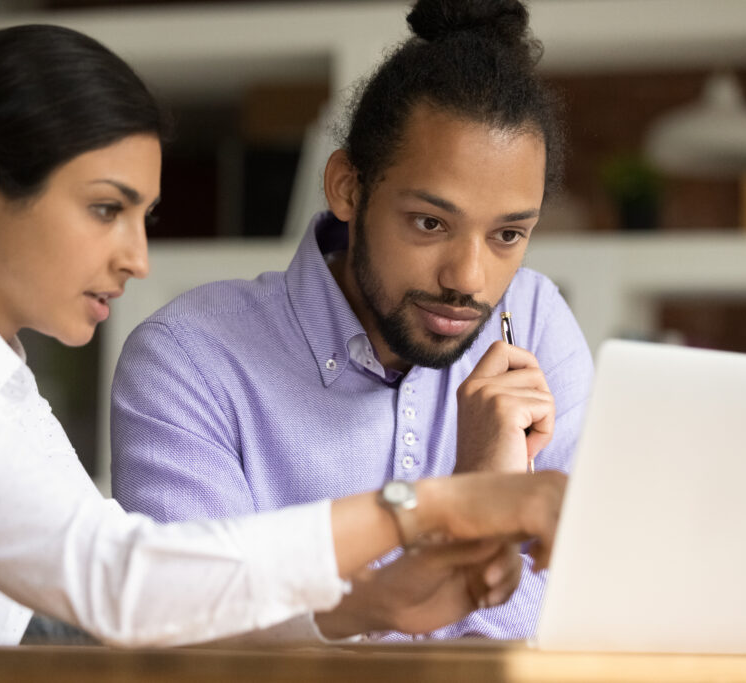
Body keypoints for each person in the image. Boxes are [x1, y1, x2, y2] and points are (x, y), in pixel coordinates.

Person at [0, 23, 567, 647]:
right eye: (106, 210)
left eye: (142, 218)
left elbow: (167, 594)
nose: (136, 258)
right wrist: (428, 506)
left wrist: (368, 606)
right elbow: (114, 578)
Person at [111, 0, 593, 641]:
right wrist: (474, 501)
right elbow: (192, 637)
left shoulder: (536, 320)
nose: (469, 279)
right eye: (430, 223)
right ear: (346, 187)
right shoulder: (187, 360)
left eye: (507, 234)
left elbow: (583, 609)